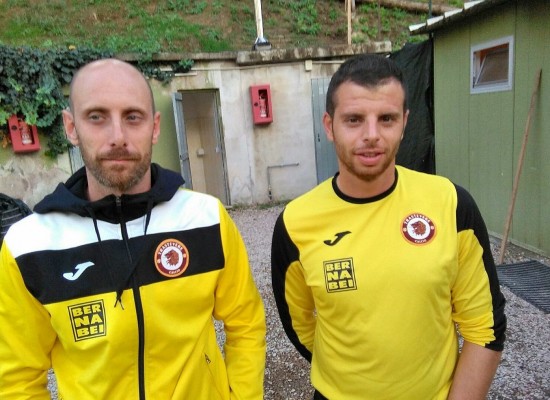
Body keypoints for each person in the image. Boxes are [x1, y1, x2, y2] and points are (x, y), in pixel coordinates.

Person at [0, 59, 266, 399]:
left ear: (154, 127)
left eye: (133, 117)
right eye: (96, 117)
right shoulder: (29, 246)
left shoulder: (205, 218)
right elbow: (17, 378)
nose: (118, 137)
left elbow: (246, 324)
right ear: (71, 127)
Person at [271, 54, 506, 400]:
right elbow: (300, 325)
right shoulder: (295, 223)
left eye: (386, 119)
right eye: (353, 119)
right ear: (328, 124)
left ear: (405, 121)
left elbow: (484, 324)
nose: (371, 135)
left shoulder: (450, 204)